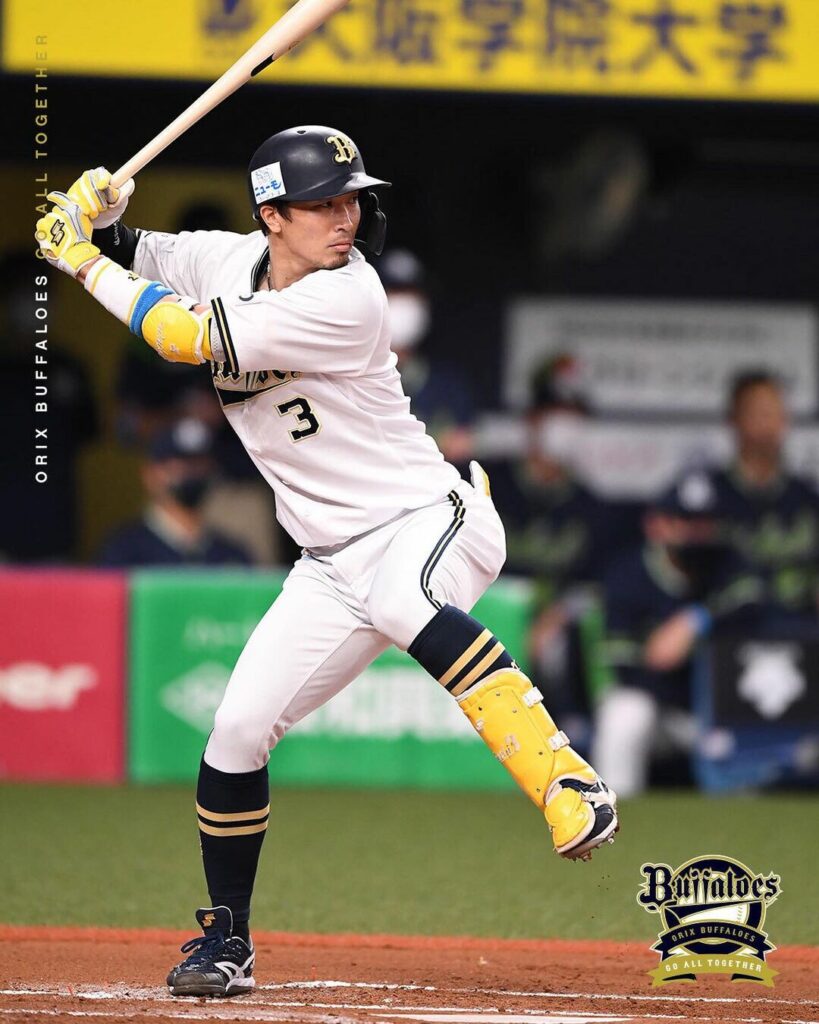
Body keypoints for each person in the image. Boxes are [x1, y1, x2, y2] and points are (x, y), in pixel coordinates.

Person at [36, 129, 618, 998]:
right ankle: (227, 941)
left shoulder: (351, 295)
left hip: (429, 517)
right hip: (330, 561)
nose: (345, 217)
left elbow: (180, 335)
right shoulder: (224, 259)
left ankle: (564, 777)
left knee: (401, 600)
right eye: (321, 204)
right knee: (236, 733)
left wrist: (77, 259)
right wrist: (101, 217)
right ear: (271, 216)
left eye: (350, 199)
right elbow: (145, 253)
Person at [592, 481, 762, 797]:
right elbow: (624, 667)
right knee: (625, 712)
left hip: (723, 714)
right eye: (683, 522)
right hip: (666, 712)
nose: (695, 533)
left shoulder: (728, 561)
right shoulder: (628, 574)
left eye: (704, 523)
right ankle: (611, 812)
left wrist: (696, 620)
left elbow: (755, 603)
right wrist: (665, 661)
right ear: (656, 525)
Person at [671, 371, 819, 631]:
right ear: (734, 419)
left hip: (802, 636)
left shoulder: (807, 498)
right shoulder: (703, 498)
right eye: (758, 412)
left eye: (774, 412)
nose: (767, 423)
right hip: (722, 636)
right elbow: (673, 574)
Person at [0, 251, 99, 562]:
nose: (35, 303)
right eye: (26, 292)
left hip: (57, 530)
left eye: (42, 293)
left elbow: (90, 433)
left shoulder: (69, 368)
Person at [98, 418, 254, 568]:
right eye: (178, 465)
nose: (191, 472)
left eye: (199, 463)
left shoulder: (232, 556)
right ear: (150, 474)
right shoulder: (123, 553)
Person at [375, 248, 476, 469]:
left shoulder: (450, 384)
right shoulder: (347, 375)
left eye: (412, 295)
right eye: (393, 294)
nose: (404, 306)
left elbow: (462, 447)